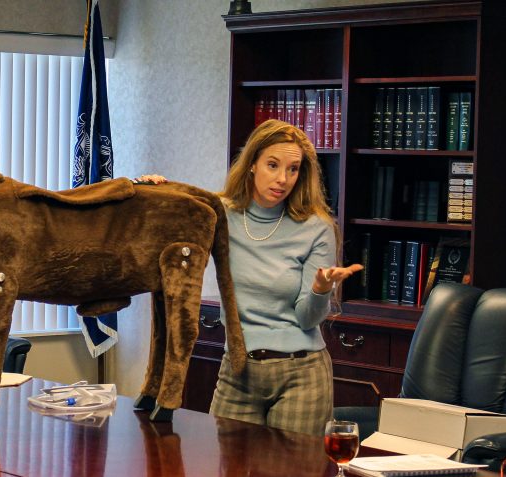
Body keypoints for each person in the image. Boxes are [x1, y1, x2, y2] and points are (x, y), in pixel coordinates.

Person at [139, 119, 361, 435]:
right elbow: (168, 229)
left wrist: (320, 289)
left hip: (300, 375)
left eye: (293, 169)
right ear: (253, 164)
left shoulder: (317, 228)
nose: (283, 179)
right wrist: (152, 191)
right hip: (237, 371)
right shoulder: (220, 214)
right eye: (273, 165)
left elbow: (308, 318)